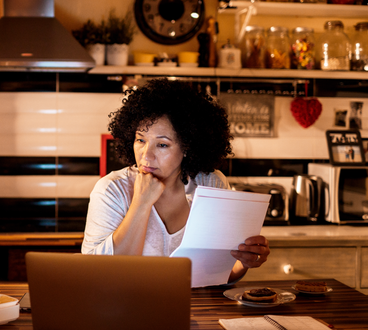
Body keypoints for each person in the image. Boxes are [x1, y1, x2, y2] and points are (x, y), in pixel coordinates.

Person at [82, 79, 270, 284]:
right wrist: (141, 203)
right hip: (126, 310)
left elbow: (217, 275)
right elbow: (98, 275)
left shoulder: (209, 184)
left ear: (187, 147)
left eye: (162, 144)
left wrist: (243, 262)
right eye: (140, 140)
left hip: (194, 310)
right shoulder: (111, 190)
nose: (146, 155)